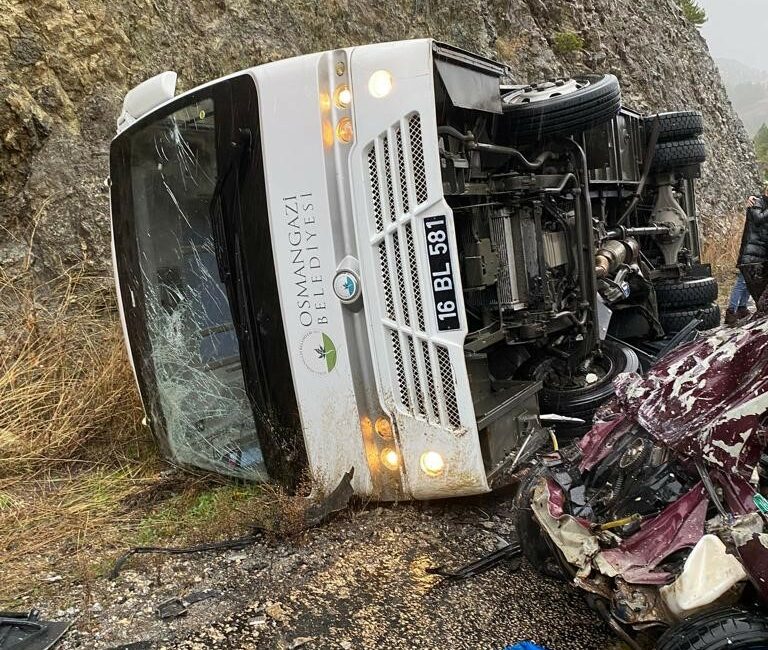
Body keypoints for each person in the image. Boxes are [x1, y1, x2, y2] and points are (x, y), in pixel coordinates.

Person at [740, 183, 768, 315]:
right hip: (754, 253)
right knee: (745, 282)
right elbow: (758, 218)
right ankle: (734, 310)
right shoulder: (757, 202)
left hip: (760, 252)